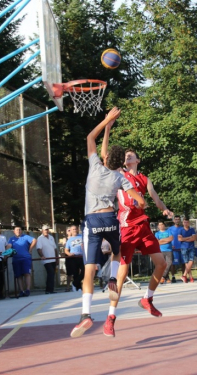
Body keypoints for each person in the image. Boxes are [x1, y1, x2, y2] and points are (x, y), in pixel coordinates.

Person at [70, 107, 146, 338]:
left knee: (89, 271)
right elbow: (141, 202)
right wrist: (135, 204)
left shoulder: (94, 166)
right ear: (119, 162)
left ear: (104, 159)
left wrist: (106, 122)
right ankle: (113, 277)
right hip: (110, 219)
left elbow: (89, 138)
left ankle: (85, 315)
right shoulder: (120, 177)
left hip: (92, 221)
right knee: (117, 251)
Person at [101, 124, 172, 336]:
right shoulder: (118, 174)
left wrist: (165, 209)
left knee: (162, 264)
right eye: (125, 155)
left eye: (130, 155)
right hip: (126, 229)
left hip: (143, 226)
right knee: (119, 276)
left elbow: (155, 198)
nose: (126, 156)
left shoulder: (144, 179)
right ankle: (110, 317)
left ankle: (147, 299)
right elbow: (105, 156)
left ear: (137, 160)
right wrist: (106, 129)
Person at [6, 225, 37, 297]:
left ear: (21, 231)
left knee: (27, 274)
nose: (18, 231)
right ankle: (21, 290)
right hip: (16, 259)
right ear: (14, 231)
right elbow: (9, 246)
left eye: (19, 230)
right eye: (16, 230)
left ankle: (28, 290)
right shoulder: (11, 239)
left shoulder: (25, 237)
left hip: (26, 258)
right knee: (18, 275)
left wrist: (30, 249)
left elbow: (34, 240)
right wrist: (7, 250)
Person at [37, 224, 58, 294]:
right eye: (45, 230)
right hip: (46, 260)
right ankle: (48, 290)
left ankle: (50, 289)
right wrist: (42, 256)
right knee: (50, 272)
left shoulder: (51, 237)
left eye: (47, 229)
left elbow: (55, 248)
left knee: (52, 274)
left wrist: (56, 258)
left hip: (53, 259)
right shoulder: (40, 239)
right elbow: (39, 249)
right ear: (42, 231)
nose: (46, 231)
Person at [64, 225, 84, 292]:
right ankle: (78, 288)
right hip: (74, 257)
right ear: (71, 231)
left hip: (81, 256)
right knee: (75, 273)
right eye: (73, 229)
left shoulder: (81, 236)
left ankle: (74, 283)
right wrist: (70, 254)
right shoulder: (69, 240)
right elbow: (66, 250)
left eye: (75, 229)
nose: (75, 230)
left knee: (84, 271)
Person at [178, 218, 196, 283]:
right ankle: (191, 277)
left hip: (191, 247)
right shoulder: (181, 230)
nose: (186, 223)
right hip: (184, 247)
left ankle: (184, 275)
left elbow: (193, 238)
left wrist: (184, 239)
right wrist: (188, 238)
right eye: (184, 222)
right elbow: (180, 239)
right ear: (183, 223)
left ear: (189, 223)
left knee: (191, 261)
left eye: (187, 222)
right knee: (186, 262)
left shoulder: (192, 229)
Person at [168, 216, 184, 283]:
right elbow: (168, 238)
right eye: (176, 219)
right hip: (174, 249)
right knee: (173, 264)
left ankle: (184, 276)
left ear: (180, 220)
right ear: (173, 220)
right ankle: (173, 276)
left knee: (184, 263)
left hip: (182, 248)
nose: (177, 220)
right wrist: (171, 245)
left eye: (178, 219)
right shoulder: (170, 229)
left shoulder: (182, 228)